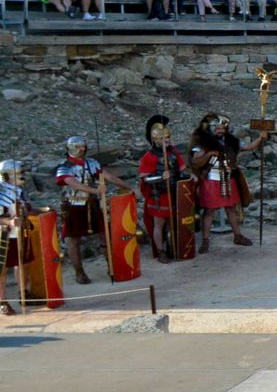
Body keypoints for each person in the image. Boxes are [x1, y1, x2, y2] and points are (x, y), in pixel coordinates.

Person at [56, 136, 132, 284]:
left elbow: (107, 176)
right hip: (74, 205)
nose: (82, 149)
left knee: (104, 235)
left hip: (93, 204)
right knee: (73, 239)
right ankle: (79, 272)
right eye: (78, 147)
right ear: (70, 148)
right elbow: (72, 182)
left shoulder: (92, 163)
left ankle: (112, 267)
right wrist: (95, 190)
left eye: (83, 146)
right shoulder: (64, 166)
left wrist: (128, 186)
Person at [189, 113, 265, 250]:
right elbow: (195, 160)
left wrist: (261, 138)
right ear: (212, 129)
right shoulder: (203, 142)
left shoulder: (232, 141)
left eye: (222, 128)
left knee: (231, 208)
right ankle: (205, 240)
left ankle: (238, 236)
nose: (220, 130)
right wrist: (208, 154)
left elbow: (248, 147)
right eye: (217, 128)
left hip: (229, 179)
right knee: (209, 211)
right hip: (211, 180)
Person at [138, 115, 191, 263]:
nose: (166, 140)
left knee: (172, 223)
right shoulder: (149, 157)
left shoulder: (173, 152)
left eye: (167, 137)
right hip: (159, 195)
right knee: (159, 224)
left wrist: (189, 176)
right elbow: (145, 178)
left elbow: (181, 170)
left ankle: (173, 247)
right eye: (163, 138)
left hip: (174, 193)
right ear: (155, 140)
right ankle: (160, 251)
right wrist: (162, 177)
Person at [1, 159, 33, 315]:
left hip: (21, 233)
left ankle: (23, 293)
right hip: (3, 235)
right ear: (8, 175)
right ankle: (2, 302)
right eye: (19, 172)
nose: (22, 175)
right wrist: (9, 220)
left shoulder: (21, 191)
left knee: (23, 264)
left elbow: (27, 209)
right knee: (2, 270)